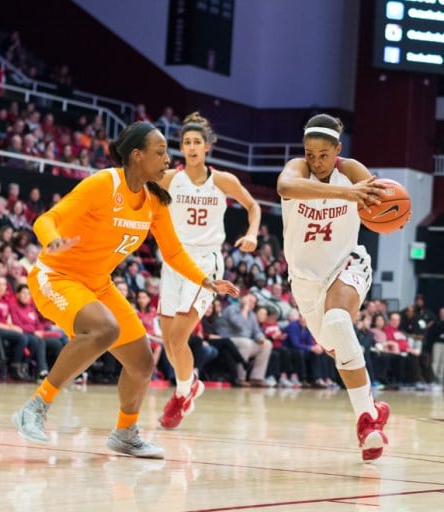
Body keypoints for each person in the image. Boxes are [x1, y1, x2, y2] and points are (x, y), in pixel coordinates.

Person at [11, 121, 239, 459]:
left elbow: (174, 252)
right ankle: (35, 407)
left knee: (142, 363)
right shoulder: (104, 183)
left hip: (98, 283)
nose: (167, 160)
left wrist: (205, 280)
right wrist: (52, 241)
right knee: (104, 329)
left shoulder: (154, 201)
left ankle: (125, 433)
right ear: (136, 156)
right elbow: (45, 219)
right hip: (56, 275)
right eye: (160, 153)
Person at [276, 113, 389, 461]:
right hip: (305, 280)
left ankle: (366, 421)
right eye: (310, 154)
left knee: (339, 322)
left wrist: (393, 210)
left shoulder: (351, 169)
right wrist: (346, 193)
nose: (316, 161)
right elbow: (285, 188)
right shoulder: (296, 170)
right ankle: (373, 407)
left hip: (347, 263)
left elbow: (380, 197)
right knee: (335, 347)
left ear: (337, 150)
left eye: (324, 154)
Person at [155, 112, 261, 429]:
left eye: (196, 142)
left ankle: (182, 395)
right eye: (186, 142)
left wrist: (252, 233)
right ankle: (191, 385)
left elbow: (254, 206)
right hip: (173, 260)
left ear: (207, 147)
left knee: (177, 339)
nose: (191, 147)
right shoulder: (169, 178)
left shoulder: (222, 181)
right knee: (168, 340)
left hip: (205, 263)